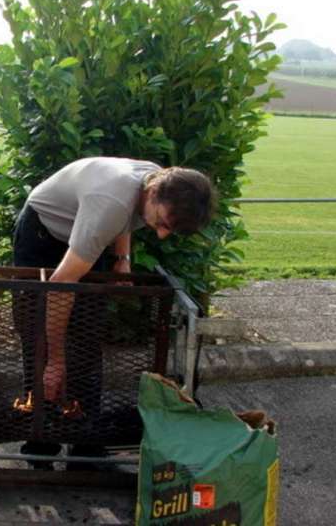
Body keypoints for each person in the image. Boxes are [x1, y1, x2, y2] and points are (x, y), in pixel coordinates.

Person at [12, 156, 216, 469]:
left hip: (86, 230)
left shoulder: (157, 181)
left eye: (170, 230)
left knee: (86, 338)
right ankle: (41, 443)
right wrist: (55, 360)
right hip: (43, 234)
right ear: (153, 194)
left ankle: (85, 448)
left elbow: (124, 216)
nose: (161, 234)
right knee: (39, 339)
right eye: (162, 223)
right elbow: (61, 284)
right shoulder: (109, 203)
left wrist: (123, 256)